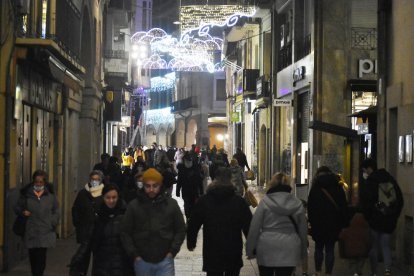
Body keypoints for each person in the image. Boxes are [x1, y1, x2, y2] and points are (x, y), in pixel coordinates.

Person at [187, 167, 252, 276]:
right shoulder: (239, 202)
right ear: (230, 179)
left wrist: (191, 241)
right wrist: (252, 246)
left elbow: (194, 223)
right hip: (233, 250)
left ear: (214, 179)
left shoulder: (205, 200)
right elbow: (248, 225)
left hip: (212, 250)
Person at [121, 168, 186, 276]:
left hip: (165, 260)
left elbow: (180, 229)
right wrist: (134, 254)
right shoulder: (134, 206)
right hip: (142, 260)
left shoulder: (171, 205)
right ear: (143, 185)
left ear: (160, 185)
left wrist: (172, 251)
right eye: (148, 186)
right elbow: (125, 231)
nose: (151, 189)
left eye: (155, 186)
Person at [246, 173, 307, 276]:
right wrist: (303, 252)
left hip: (266, 247)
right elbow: (302, 230)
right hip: (289, 247)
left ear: (271, 184)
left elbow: (254, 228)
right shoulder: (297, 203)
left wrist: (250, 248)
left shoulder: (264, 202)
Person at [360, 158, 404, 276]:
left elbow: (366, 203)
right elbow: (400, 199)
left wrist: (368, 218)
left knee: (373, 247)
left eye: (365, 170)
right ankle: (387, 271)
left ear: (369, 168)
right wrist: (394, 215)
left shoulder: (371, 182)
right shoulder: (390, 179)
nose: (364, 173)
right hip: (389, 219)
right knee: (386, 246)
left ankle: (374, 272)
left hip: (375, 221)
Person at [77, 184, 133, 276]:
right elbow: (88, 242)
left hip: (121, 267)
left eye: (114, 197)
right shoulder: (97, 218)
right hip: (101, 266)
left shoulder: (126, 217)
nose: (111, 201)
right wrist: (78, 259)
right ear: (103, 198)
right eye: (108, 197)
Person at [14, 170, 60, 276]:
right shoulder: (26, 195)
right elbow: (17, 207)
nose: (38, 184)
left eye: (41, 182)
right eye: (36, 182)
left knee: (41, 257)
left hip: (45, 230)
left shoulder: (50, 196)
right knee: (33, 256)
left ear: (45, 183)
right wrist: (22, 212)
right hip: (31, 230)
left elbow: (56, 210)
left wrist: (52, 221)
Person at [307, 166, 349, 276]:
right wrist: (344, 223)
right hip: (334, 224)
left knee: (319, 247)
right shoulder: (337, 186)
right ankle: (328, 273)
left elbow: (310, 206)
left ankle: (318, 271)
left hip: (318, 223)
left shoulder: (315, 187)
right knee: (330, 249)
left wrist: (311, 221)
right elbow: (343, 205)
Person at [69, 170, 104, 276]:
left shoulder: (104, 193)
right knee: (84, 257)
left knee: (99, 258)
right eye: (93, 179)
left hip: (99, 232)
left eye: (97, 179)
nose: (95, 181)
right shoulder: (83, 193)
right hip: (85, 230)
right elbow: (75, 209)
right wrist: (78, 224)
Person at [176, 153, 204, 220]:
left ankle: (192, 218)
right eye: (187, 160)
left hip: (194, 191)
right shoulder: (181, 169)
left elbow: (199, 180)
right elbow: (179, 180)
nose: (188, 162)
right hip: (185, 191)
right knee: (187, 204)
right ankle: (188, 217)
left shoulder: (196, 168)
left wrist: (201, 190)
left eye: (189, 160)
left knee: (194, 205)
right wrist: (177, 190)